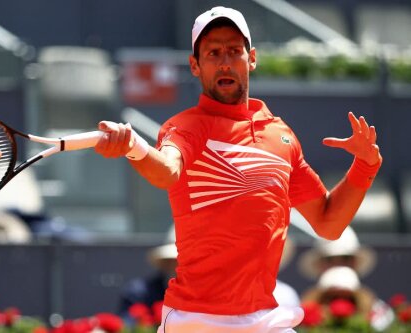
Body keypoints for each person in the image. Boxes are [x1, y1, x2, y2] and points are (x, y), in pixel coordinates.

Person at [94, 6, 382, 332]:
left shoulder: (281, 136)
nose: (225, 61)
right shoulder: (185, 127)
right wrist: (134, 146)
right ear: (195, 65)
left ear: (252, 58)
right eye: (213, 52)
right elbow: (166, 172)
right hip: (196, 321)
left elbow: (329, 223)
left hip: (266, 319)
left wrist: (365, 165)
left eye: (234, 50)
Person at [118, 226, 177, 320]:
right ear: (168, 263)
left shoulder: (203, 297)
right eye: (178, 261)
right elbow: (127, 326)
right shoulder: (139, 293)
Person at [298, 225, 376, 280]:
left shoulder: (374, 304)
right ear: (319, 264)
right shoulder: (301, 303)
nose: (337, 265)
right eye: (329, 260)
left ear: (355, 262)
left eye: (345, 258)